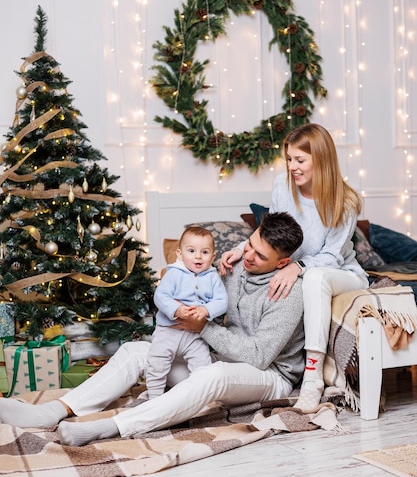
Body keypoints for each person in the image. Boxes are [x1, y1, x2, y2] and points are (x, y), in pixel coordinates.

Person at [0, 212, 305, 446]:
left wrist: (202, 327)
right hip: (222, 359)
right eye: (249, 245)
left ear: (283, 262)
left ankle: (114, 426)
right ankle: (53, 411)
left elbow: (259, 356)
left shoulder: (289, 293)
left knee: (213, 375)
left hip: (270, 375)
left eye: (260, 256)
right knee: (137, 351)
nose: (248, 256)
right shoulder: (237, 264)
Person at [221, 123, 369, 413]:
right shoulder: (282, 185)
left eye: (299, 160)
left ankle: (312, 377)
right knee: (293, 275)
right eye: (289, 159)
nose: (292, 167)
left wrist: (298, 267)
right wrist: (240, 249)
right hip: (298, 266)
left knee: (313, 278)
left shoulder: (346, 201)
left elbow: (332, 256)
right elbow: (272, 234)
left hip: (341, 272)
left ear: (321, 160)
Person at [146, 225, 228, 399]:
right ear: (180, 254)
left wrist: (205, 309)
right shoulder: (173, 273)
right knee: (157, 362)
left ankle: (201, 399)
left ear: (213, 256)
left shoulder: (213, 276)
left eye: (205, 252)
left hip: (195, 335)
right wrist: (177, 309)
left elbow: (222, 301)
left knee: (203, 366)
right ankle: (154, 397)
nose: (198, 256)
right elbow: (160, 296)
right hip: (170, 330)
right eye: (191, 251)